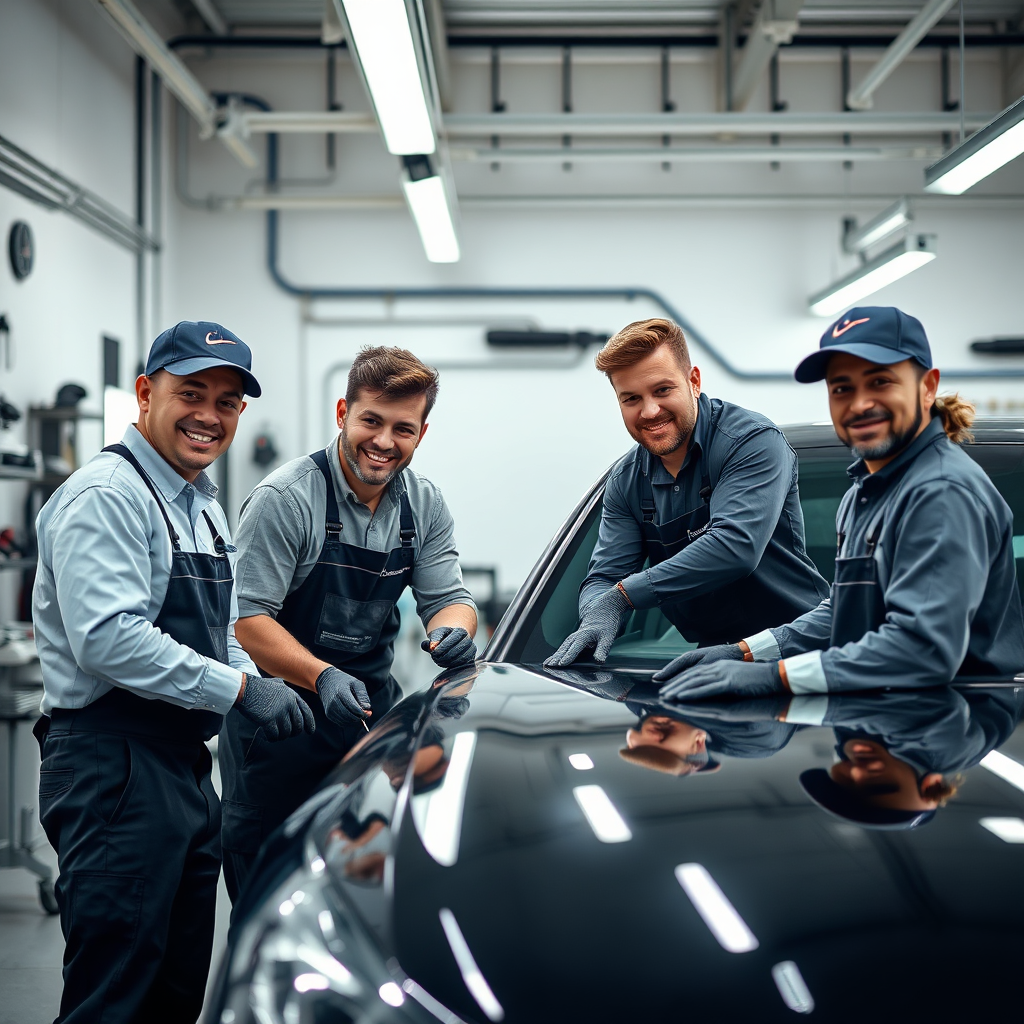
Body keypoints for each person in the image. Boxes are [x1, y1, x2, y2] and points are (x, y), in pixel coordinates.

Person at [32, 322, 313, 1024]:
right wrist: (242, 690)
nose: (208, 416)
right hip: (111, 766)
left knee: (175, 989)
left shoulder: (203, 505)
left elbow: (219, 630)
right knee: (116, 992)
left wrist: (275, 682)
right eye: (191, 393)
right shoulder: (108, 495)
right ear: (144, 392)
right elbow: (109, 641)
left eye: (226, 402)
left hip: (183, 765)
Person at [657, 306, 1024, 700]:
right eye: (842, 388)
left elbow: (923, 650)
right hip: (881, 720)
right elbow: (843, 613)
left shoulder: (942, 491)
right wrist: (745, 653)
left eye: (880, 381)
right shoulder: (863, 494)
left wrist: (777, 677)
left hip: (955, 721)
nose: (860, 404)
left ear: (928, 387)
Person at [220, 345, 477, 899]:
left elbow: (450, 599)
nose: (384, 442)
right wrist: (320, 675)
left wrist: (454, 630)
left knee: (362, 893)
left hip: (365, 727)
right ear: (343, 413)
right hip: (278, 729)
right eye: (371, 421)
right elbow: (245, 619)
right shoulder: (286, 499)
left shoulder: (424, 506)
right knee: (271, 895)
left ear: (420, 435)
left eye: (403, 429)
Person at [545, 317, 828, 667]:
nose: (649, 411)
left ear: (693, 381)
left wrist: (621, 597)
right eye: (631, 398)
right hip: (702, 662)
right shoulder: (625, 481)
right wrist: (596, 613)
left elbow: (735, 546)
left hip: (801, 652)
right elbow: (605, 576)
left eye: (662, 390)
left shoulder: (752, 443)